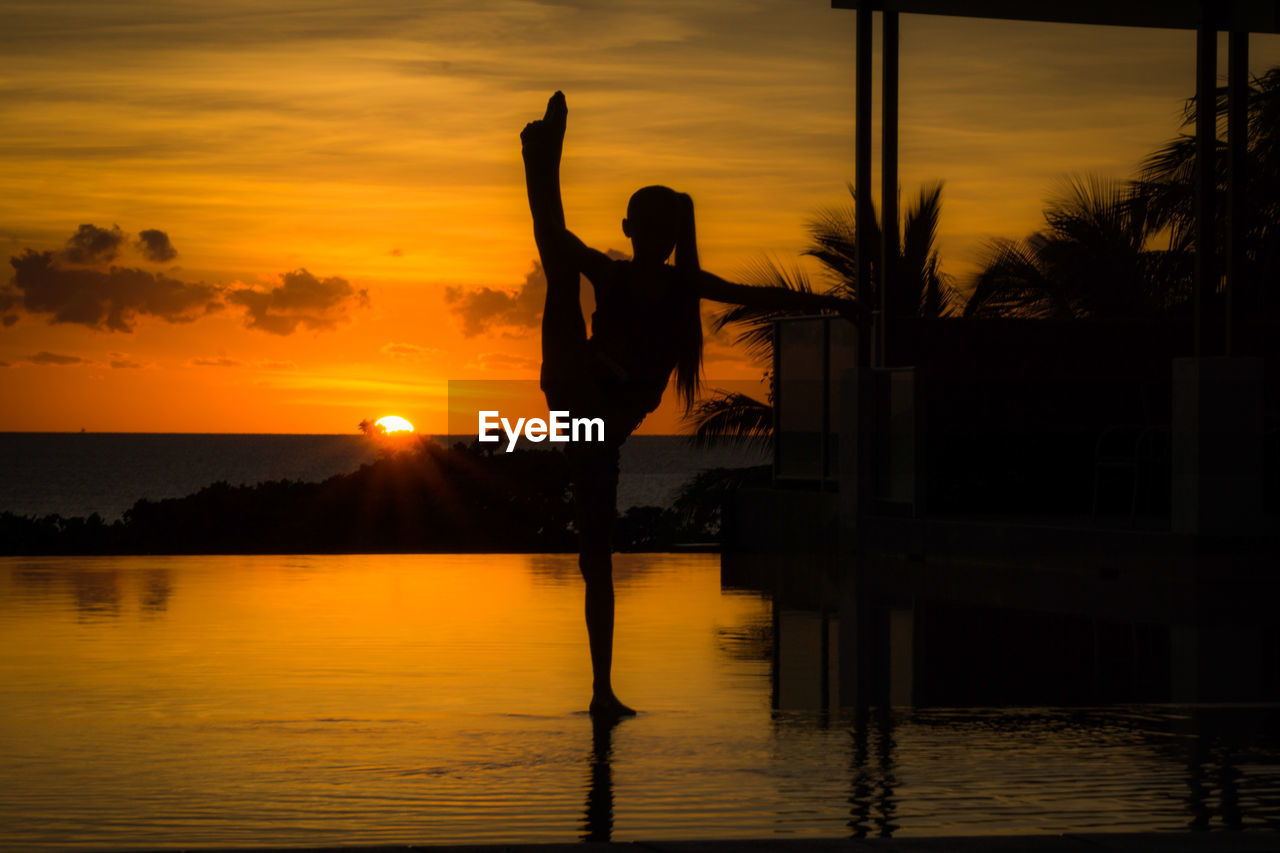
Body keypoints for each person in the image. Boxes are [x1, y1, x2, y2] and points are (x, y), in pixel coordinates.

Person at [521, 91, 865, 719]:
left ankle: (602, 689)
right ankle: (541, 157)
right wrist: (828, 303)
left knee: (597, 556)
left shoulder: (678, 284)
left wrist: (828, 304)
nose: (654, 239)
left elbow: (752, 295)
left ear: (667, 235)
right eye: (648, 230)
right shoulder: (623, 276)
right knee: (560, 262)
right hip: (580, 391)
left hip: (594, 418)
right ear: (632, 231)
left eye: (662, 231)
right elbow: (751, 295)